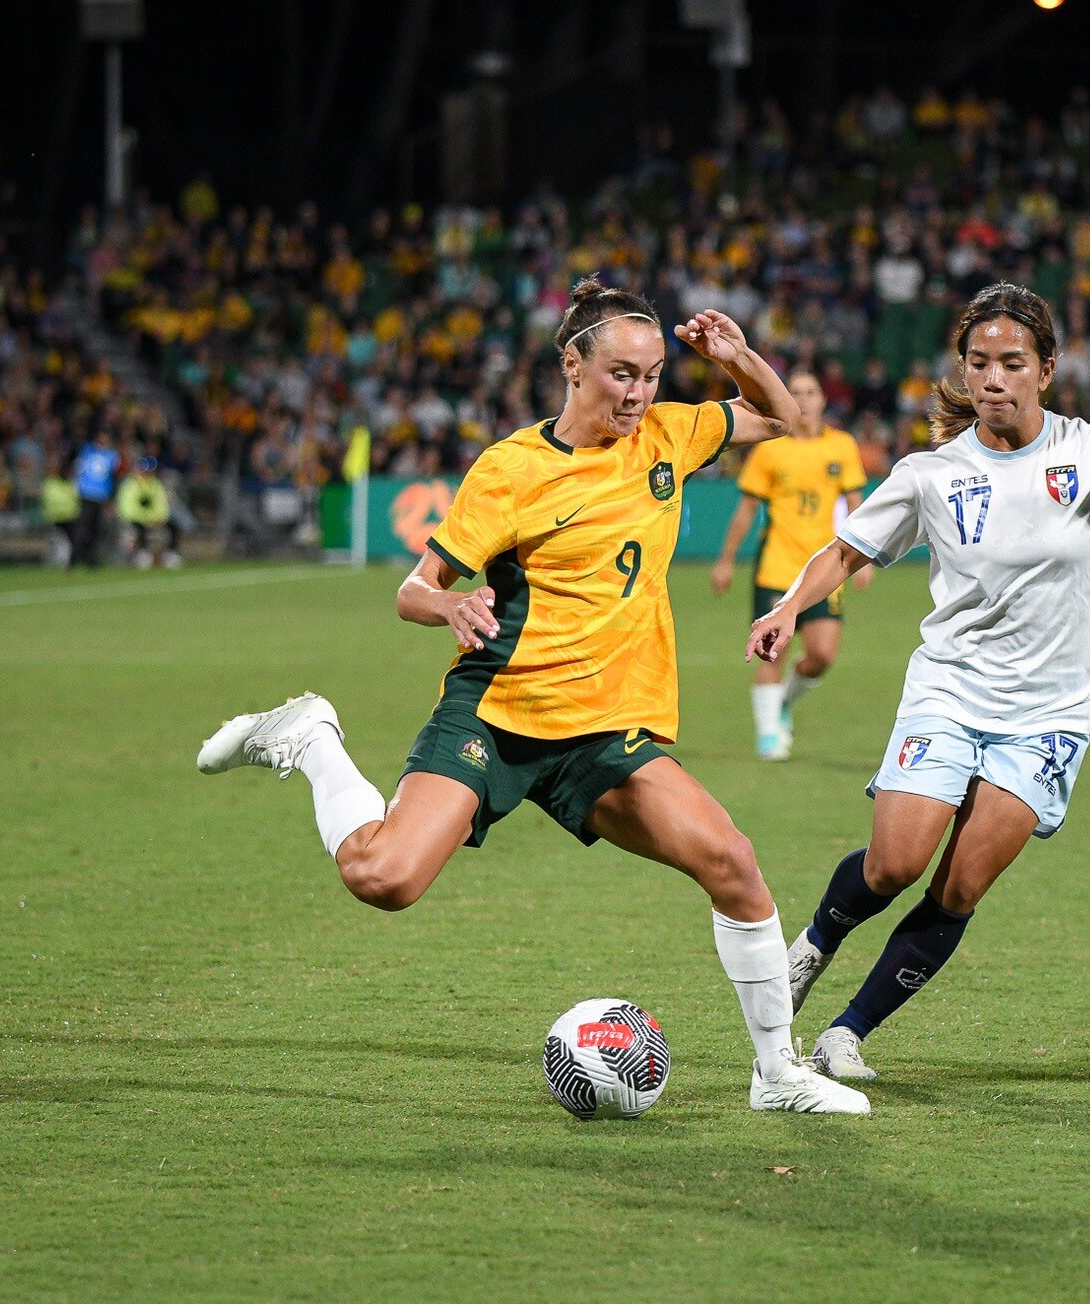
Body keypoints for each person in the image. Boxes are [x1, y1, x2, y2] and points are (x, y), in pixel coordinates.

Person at [198, 279, 868, 1115]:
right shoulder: (512, 469)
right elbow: (415, 588)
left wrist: (738, 358)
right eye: (622, 374)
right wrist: (449, 606)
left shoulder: (668, 435)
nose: (639, 394)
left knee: (731, 860)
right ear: (573, 366)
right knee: (383, 877)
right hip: (499, 714)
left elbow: (783, 419)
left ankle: (776, 1076)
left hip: (604, 729)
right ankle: (311, 738)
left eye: (653, 376)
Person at [749, 283, 1090, 1079]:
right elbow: (845, 550)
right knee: (895, 864)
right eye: (978, 363)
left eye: (1012, 363)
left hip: (1049, 715)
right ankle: (815, 942)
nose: (992, 378)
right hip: (949, 691)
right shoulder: (932, 472)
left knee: (959, 886)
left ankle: (847, 1035)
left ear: (1046, 370)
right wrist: (786, 608)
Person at [710, 369, 871, 760]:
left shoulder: (841, 445)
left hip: (825, 569)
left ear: (822, 399)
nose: (803, 399)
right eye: (795, 392)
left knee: (822, 655)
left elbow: (855, 504)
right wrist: (726, 560)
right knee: (772, 653)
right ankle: (769, 736)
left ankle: (783, 703)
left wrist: (865, 557)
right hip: (777, 567)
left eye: (810, 392)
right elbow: (747, 509)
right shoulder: (770, 449)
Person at [117, 455, 180, 568]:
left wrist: (159, 518)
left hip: (152, 519)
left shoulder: (155, 484)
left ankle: (170, 554)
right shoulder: (130, 485)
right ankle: (143, 554)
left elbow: (161, 504)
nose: (147, 474)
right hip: (134, 519)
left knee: (174, 526)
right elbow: (128, 509)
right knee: (140, 528)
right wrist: (147, 518)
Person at [72, 428, 121, 567]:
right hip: (86, 494)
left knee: (97, 530)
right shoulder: (86, 450)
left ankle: (92, 560)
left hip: (101, 496)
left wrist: (111, 498)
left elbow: (114, 477)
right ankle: (75, 557)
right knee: (82, 529)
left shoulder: (111, 455)